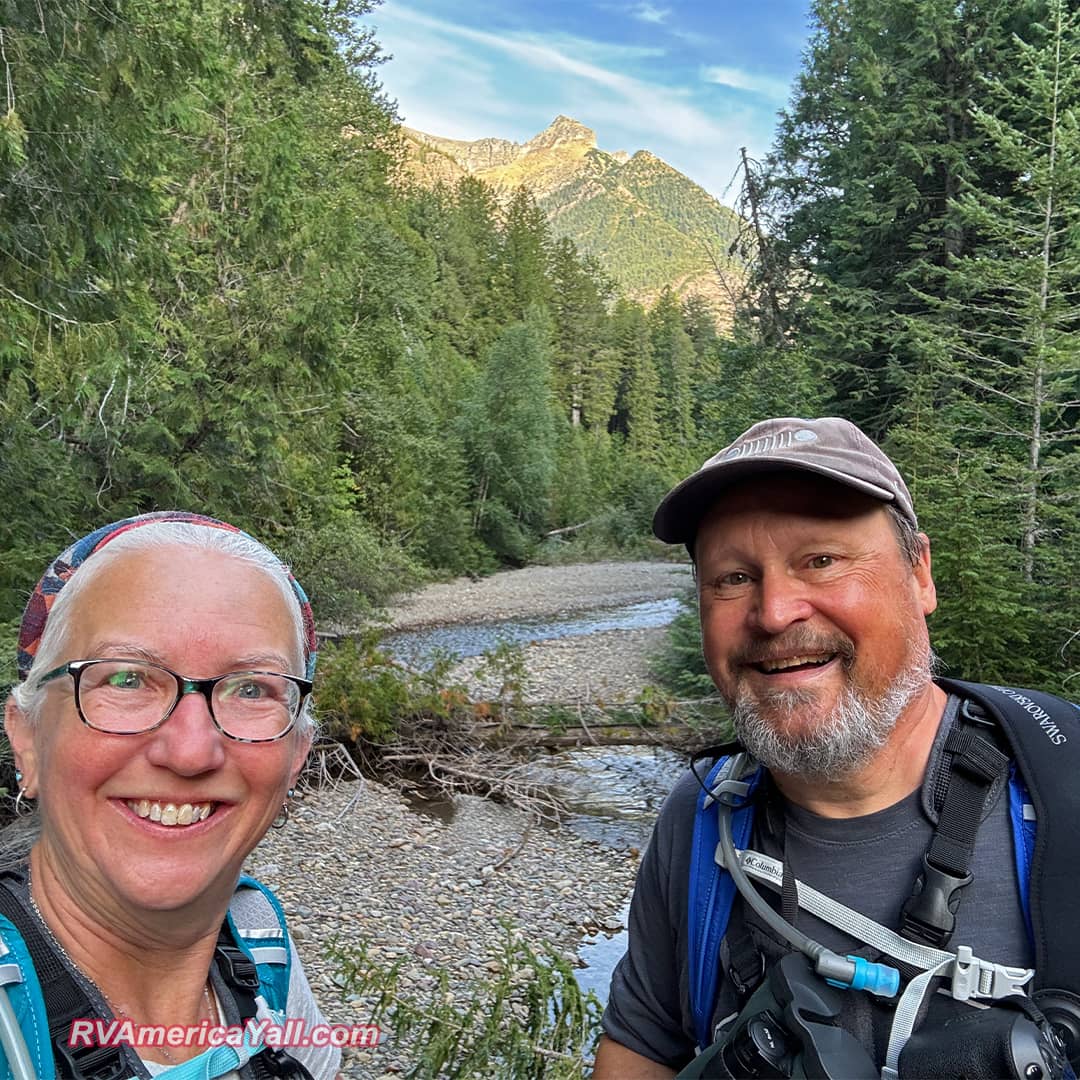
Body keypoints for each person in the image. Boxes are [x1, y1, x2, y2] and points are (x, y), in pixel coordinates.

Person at [594, 417, 1080, 1080]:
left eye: (820, 560)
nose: (773, 613)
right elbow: (642, 1049)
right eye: (732, 578)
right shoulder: (703, 819)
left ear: (920, 575)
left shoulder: (1064, 787)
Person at [1, 511, 341, 1080]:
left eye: (252, 689)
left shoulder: (262, 945)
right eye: (126, 678)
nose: (190, 751)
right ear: (28, 738)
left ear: (295, 757)